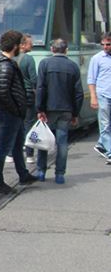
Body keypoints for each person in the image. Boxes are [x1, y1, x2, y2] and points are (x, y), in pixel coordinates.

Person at [0, 29, 38, 195]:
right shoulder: (5, 66)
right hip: (8, 113)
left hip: (12, 113)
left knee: (17, 145)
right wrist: (16, 108)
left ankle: (23, 174)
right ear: (16, 46)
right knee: (3, 148)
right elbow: (4, 93)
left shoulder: (6, 63)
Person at [36, 38, 84, 183]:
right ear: (66, 50)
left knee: (44, 141)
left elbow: (41, 88)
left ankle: (41, 172)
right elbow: (79, 93)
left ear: (52, 49)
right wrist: (75, 113)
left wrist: (40, 109)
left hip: (49, 109)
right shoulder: (73, 66)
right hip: (66, 110)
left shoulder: (44, 64)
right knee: (62, 142)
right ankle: (60, 174)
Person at [88, 32, 111, 162]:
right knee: (105, 124)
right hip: (103, 95)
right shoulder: (97, 58)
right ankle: (110, 153)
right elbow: (91, 79)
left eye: (108, 44)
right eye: (103, 44)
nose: (105, 47)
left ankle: (101, 144)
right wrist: (93, 97)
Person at [15, 34, 37, 164]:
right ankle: (29, 154)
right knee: (29, 123)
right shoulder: (28, 59)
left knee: (16, 124)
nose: (32, 45)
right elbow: (34, 79)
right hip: (28, 95)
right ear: (22, 45)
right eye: (30, 43)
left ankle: (11, 154)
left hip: (15, 96)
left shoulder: (12, 58)